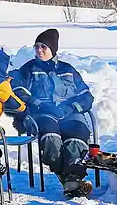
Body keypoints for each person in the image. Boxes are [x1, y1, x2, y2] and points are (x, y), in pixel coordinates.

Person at [11, 28, 95, 198]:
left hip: (70, 111)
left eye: (43, 47)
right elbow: (19, 89)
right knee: (51, 137)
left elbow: (86, 94)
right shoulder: (29, 68)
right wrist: (40, 104)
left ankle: (73, 176)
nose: (39, 50)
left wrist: (73, 107)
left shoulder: (68, 69)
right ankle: (68, 179)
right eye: (37, 47)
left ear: (53, 49)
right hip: (43, 112)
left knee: (77, 135)